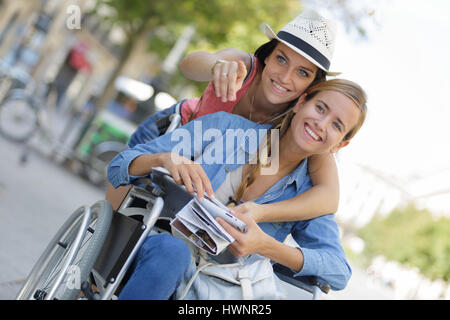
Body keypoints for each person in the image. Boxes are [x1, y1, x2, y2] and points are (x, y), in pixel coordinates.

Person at [107, 78, 368, 299]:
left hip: (221, 287)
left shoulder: (308, 197)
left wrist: (265, 246)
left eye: (336, 125)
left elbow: (338, 271)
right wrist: (163, 159)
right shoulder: (225, 128)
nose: (322, 124)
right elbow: (119, 166)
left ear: (339, 146)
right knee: (172, 252)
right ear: (301, 103)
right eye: (320, 108)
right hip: (160, 254)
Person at [106, 11, 343, 225]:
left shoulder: (302, 120)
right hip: (169, 133)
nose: (285, 77)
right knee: (114, 225)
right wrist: (216, 66)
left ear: (312, 85)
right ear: (269, 55)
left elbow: (329, 198)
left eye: (303, 72)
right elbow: (188, 65)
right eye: (282, 59)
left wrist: (262, 213)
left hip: (202, 176)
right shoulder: (244, 66)